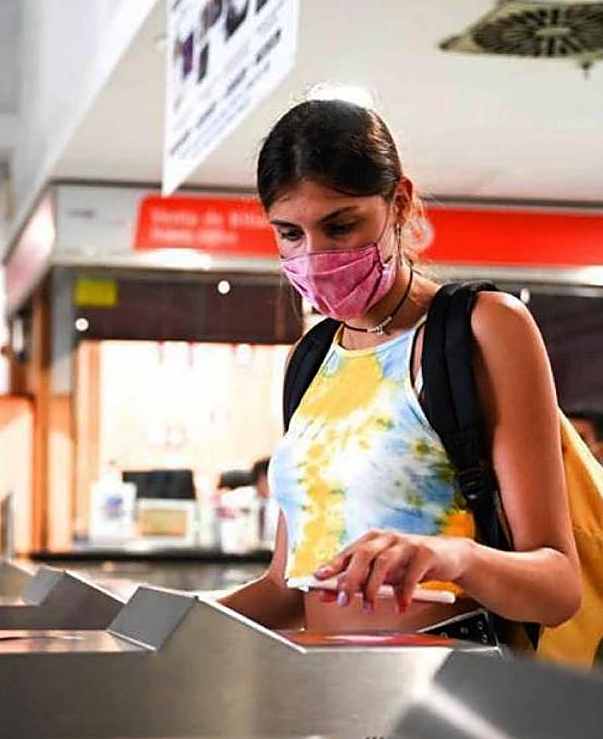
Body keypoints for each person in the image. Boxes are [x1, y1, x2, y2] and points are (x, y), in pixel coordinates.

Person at [219, 99, 581, 640]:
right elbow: (284, 587)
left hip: (446, 694)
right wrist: (155, 624)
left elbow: (557, 586)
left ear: (400, 203)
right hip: (319, 690)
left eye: (340, 226)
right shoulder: (311, 358)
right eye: (290, 234)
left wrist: (451, 556)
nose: (314, 255)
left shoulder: (483, 329)